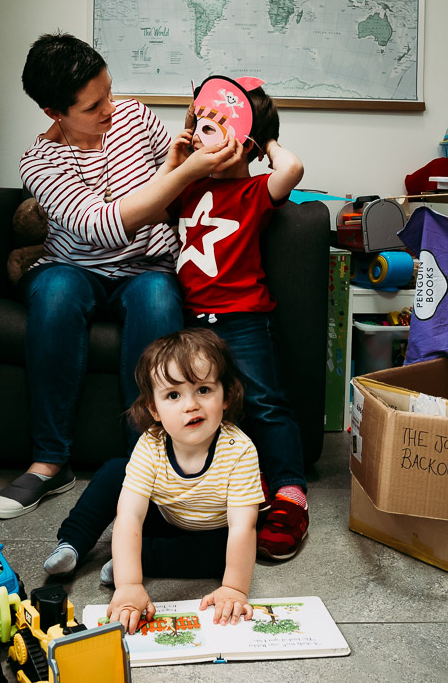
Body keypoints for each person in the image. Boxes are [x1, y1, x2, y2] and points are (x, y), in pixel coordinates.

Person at [0, 34, 242, 520]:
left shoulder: (136, 116)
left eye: (109, 91)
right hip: (73, 266)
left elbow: (174, 184)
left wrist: (199, 153)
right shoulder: (38, 162)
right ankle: (49, 462)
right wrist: (185, 173)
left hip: (145, 267)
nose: (110, 108)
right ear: (53, 112)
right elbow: (100, 226)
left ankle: (143, 463)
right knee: (58, 292)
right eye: (93, 105)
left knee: (156, 298)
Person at [164, 76, 311, 560]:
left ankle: (290, 493)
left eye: (215, 125)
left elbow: (292, 166)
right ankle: (239, 487)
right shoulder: (186, 187)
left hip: (244, 316)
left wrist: (261, 136)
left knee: (266, 404)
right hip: (192, 322)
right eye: (201, 121)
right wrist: (182, 151)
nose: (203, 129)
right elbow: (157, 195)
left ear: (244, 143)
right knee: (211, 411)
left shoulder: (254, 191)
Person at [44, 329, 264, 633]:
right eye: (173, 395)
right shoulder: (150, 444)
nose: (191, 405)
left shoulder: (239, 450)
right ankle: (73, 542)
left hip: (213, 530)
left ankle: (139, 558)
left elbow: (242, 527)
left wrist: (234, 589)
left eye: (203, 390)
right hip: (164, 515)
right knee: (113, 472)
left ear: (225, 396)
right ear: (153, 410)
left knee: (223, 554)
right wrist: (130, 586)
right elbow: (130, 516)